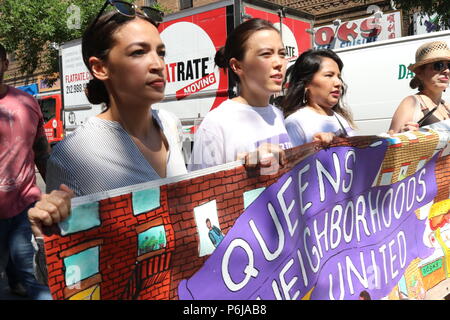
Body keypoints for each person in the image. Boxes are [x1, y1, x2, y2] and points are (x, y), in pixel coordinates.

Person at [28, 3, 186, 238]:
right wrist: (44, 233)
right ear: (100, 68)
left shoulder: (171, 124)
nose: (158, 65)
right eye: (138, 52)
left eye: (160, 52)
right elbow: (69, 263)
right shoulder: (73, 156)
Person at [188, 18, 294, 172]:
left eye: (282, 54)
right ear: (237, 66)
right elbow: (198, 191)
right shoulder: (216, 124)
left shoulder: (278, 114)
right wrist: (240, 170)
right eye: (266, 54)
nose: (279, 63)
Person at [0, 43, 52, 300]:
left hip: (24, 206)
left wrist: (53, 190)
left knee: (33, 279)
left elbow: (41, 150)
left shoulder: (26, 102)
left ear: (5, 64)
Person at [281, 49, 355, 147]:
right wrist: (315, 148)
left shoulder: (340, 118)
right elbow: (290, 161)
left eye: (338, 76)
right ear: (306, 82)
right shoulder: (295, 123)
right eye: (329, 75)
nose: (338, 83)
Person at [389, 41, 450, 133]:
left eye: (449, 66)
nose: (447, 71)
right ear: (420, 73)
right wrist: (402, 134)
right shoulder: (411, 103)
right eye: (438, 65)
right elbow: (390, 142)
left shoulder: (446, 106)